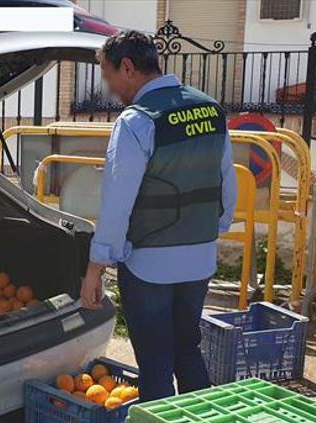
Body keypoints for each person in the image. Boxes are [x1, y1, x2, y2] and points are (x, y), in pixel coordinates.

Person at [80, 31, 237, 402]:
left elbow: (117, 204)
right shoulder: (210, 109)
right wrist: (208, 230)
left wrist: (95, 268)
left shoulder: (137, 121)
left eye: (109, 75)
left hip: (149, 263)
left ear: (129, 68)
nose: (110, 87)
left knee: (155, 364)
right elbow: (226, 183)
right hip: (199, 258)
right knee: (187, 351)